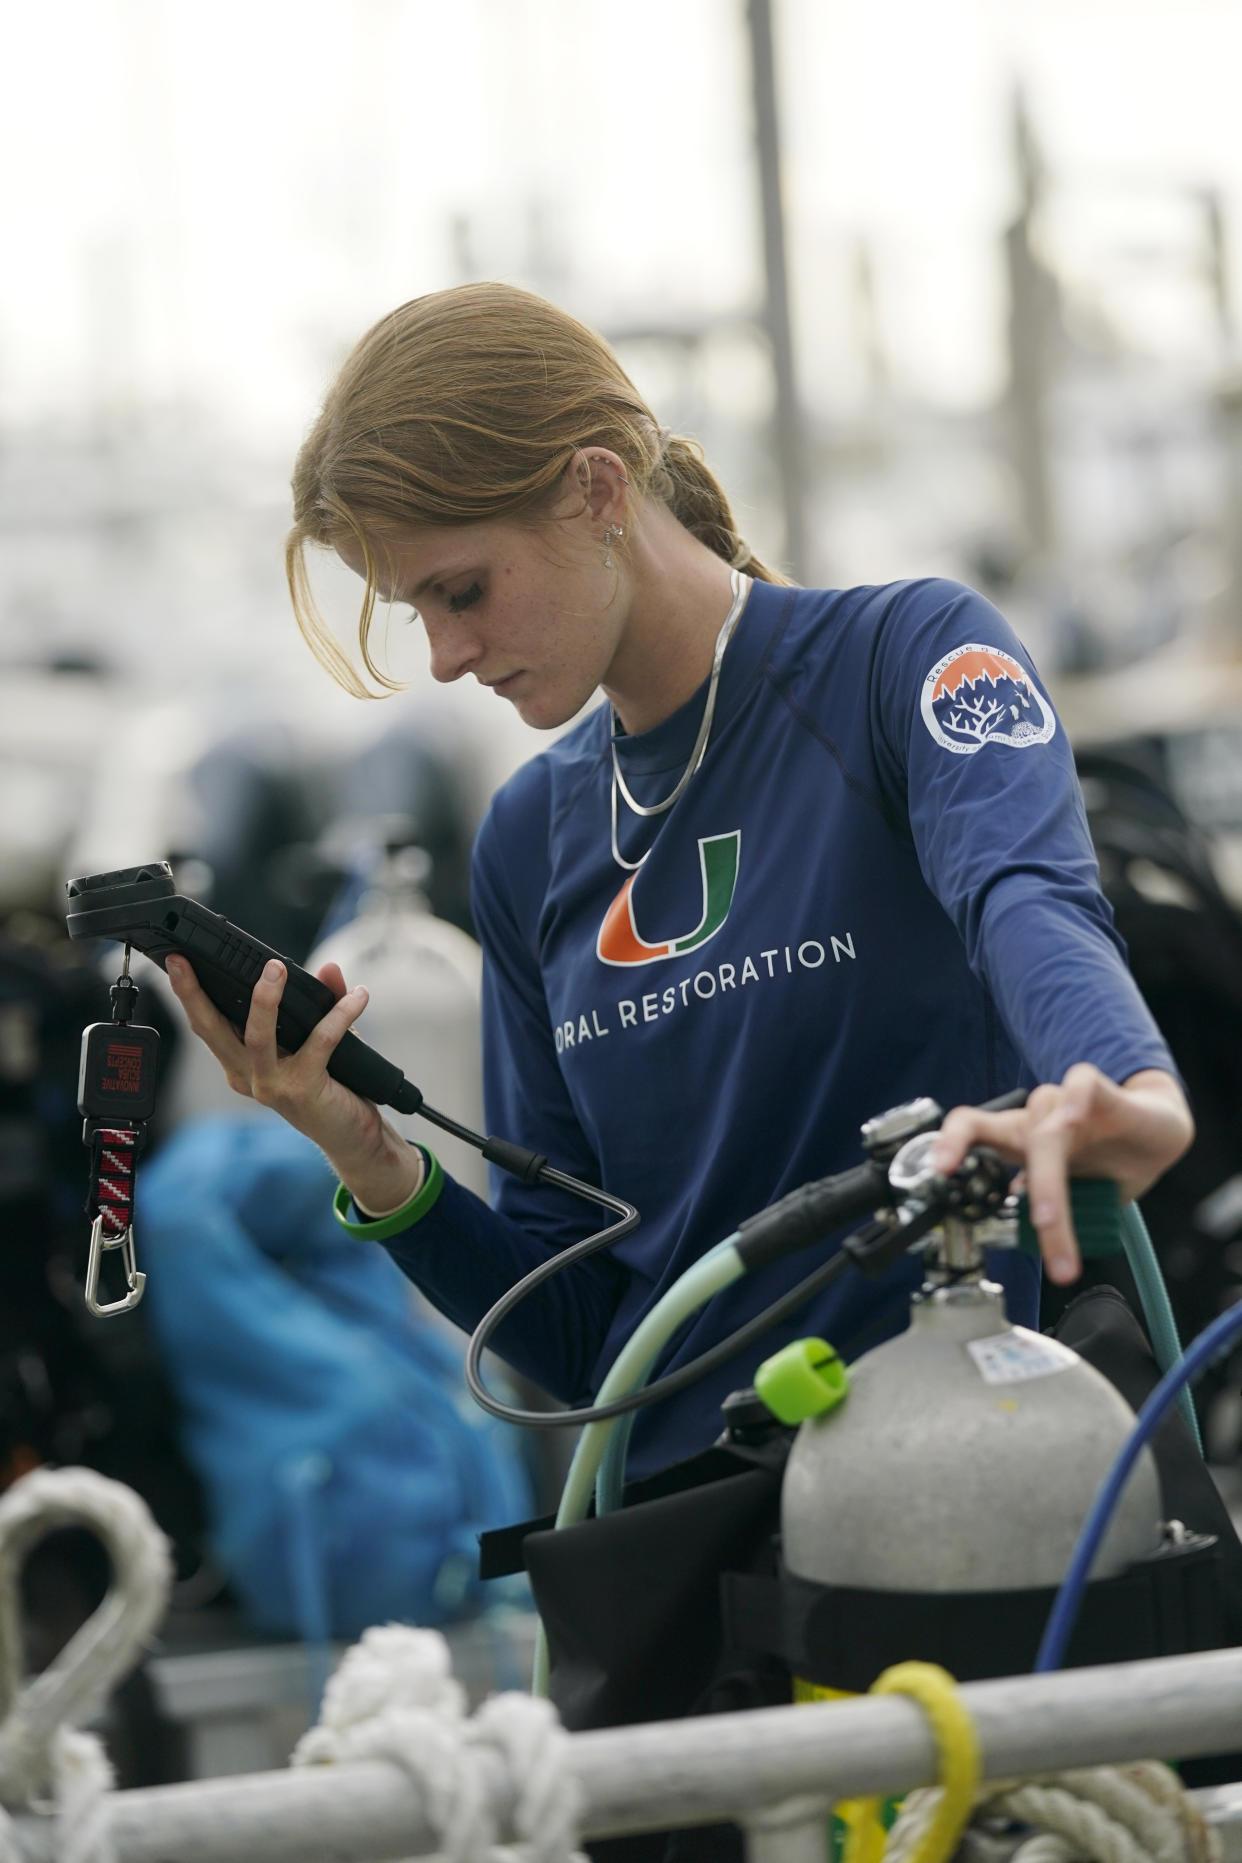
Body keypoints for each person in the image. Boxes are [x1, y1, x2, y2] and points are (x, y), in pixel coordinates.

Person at [165, 282, 1193, 1482]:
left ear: (597, 491)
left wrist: (1124, 1080)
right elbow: (587, 1339)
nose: (443, 658)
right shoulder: (527, 837)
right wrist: (364, 1152)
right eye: (416, 615)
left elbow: (1025, 898)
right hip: (686, 1566)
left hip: (969, 1494)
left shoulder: (899, 659)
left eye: (462, 592)